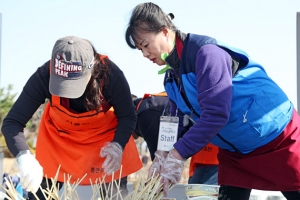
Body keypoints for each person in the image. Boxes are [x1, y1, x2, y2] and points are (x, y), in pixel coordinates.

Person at [124, 2, 300, 200]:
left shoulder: (207, 55)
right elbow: (174, 122)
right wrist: (161, 156)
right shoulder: (171, 78)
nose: (145, 54)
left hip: (277, 138)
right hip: (235, 153)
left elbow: (216, 114)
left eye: (146, 45)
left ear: (164, 31)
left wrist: (177, 155)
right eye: (140, 49)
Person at [1, 36, 142, 200]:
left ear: (92, 68)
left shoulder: (112, 75)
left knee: (115, 195)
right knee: (40, 195)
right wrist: (23, 157)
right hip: (59, 142)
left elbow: (128, 116)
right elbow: (12, 123)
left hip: (104, 142)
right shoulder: (43, 75)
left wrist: (117, 145)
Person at [133, 92, 218, 185]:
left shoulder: (147, 113)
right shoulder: (149, 106)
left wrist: (153, 185)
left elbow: (159, 161)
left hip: (212, 149)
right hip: (204, 149)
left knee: (198, 190)